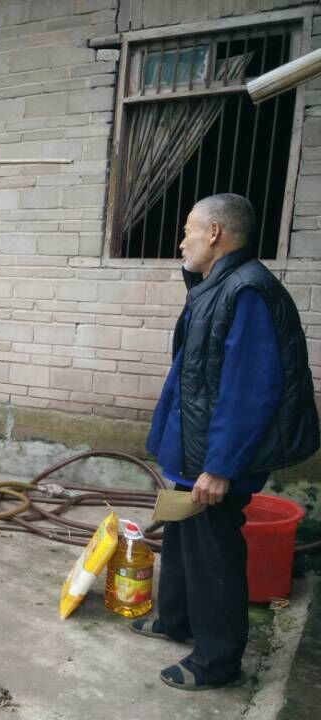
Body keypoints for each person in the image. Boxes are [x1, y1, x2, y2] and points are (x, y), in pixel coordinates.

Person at [135, 194, 319, 690]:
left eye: (188, 232)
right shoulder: (216, 285)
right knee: (181, 537)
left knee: (212, 554)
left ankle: (216, 662)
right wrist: (192, 274)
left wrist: (220, 467)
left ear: (214, 233)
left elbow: (250, 390)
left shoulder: (249, 291)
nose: (182, 243)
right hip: (193, 447)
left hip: (215, 457)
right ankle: (175, 620)